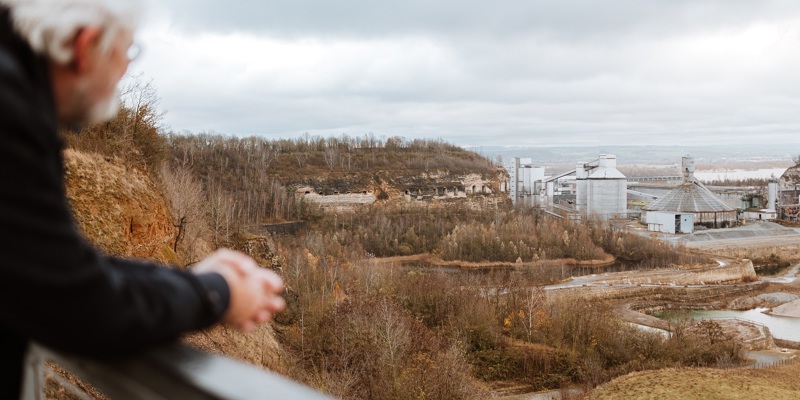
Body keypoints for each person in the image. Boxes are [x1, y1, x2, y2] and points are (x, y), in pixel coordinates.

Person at [0, 0, 286, 397]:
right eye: (127, 50)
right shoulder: (11, 119)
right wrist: (220, 294)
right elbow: (79, 303)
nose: (126, 70)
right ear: (85, 46)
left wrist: (200, 282)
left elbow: (57, 266)